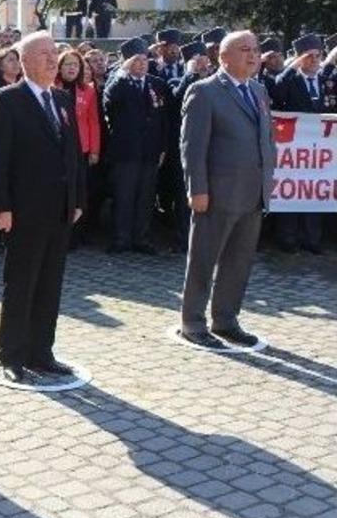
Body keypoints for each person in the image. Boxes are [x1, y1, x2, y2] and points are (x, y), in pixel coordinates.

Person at [0, 31, 85, 384]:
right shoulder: (6, 100)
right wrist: (0, 206)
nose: (52, 59)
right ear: (24, 61)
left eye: (54, 52)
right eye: (43, 53)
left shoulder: (62, 99)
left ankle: (41, 353)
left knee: (50, 284)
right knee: (21, 283)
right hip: (23, 211)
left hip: (59, 210)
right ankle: (12, 355)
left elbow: (73, 154)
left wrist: (77, 199)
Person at [179, 31, 276, 349]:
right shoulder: (204, 92)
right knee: (203, 260)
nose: (253, 55)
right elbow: (193, 147)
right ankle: (193, 322)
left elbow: (265, 140)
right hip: (216, 194)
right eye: (244, 49)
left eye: (256, 49)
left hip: (252, 193)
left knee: (239, 262)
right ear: (223, 57)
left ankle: (226, 320)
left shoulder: (259, 91)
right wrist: (197, 189)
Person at [103, 38, 170, 253]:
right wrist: (122, 73)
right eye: (136, 60)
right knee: (124, 195)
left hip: (150, 151)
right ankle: (121, 238)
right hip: (126, 151)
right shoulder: (118, 82)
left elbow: (164, 119)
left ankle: (141, 237)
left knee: (145, 196)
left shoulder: (157, 84)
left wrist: (162, 147)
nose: (142, 64)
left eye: (144, 60)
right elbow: (110, 102)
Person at [273, 34, 329, 254]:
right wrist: (293, 66)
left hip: (321, 150)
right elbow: (277, 90)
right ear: (299, 59)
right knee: (292, 191)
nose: (314, 60)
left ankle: (312, 239)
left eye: (318, 56)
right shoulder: (290, 80)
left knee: (314, 192)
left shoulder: (325, 79)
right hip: (294, 150)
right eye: (309, 56)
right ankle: (287, 238)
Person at [56, 50, 101, 242]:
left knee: (79, 190)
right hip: (58, 149)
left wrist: (94, 149)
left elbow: (93, 121)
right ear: (59, 67)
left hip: (81, 148)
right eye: (67, 64)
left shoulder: (88, 90)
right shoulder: (51, 88)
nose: (72, 68)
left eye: (75, 64)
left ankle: (76, 234)